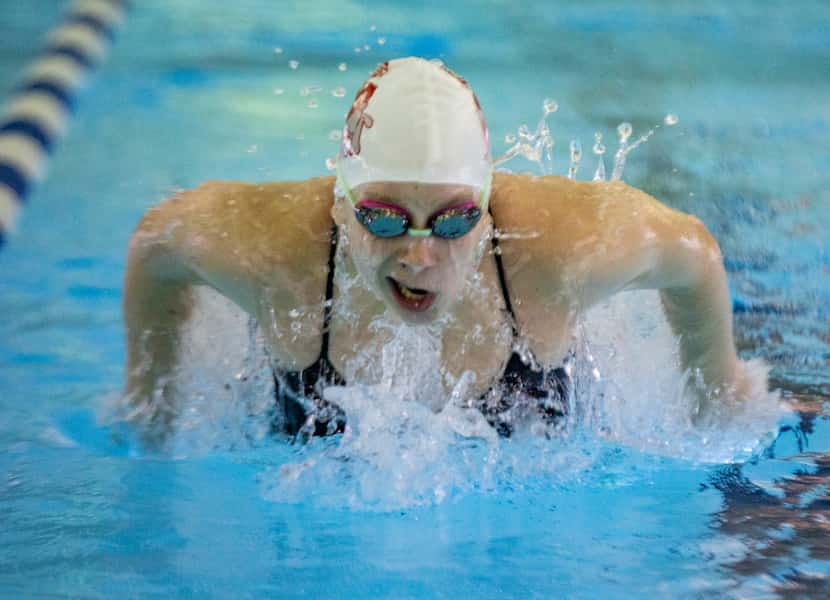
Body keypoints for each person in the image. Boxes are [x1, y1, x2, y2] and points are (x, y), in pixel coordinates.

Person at [123, 57, 760, 439]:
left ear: (485, 212)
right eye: (384, 218)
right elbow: (158, 240)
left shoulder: (556, 251)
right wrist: (151, 396)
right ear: (342, 207)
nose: (419, 256)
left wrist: (718, 398)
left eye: (453, 221)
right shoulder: (279, 251)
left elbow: (694, 253)